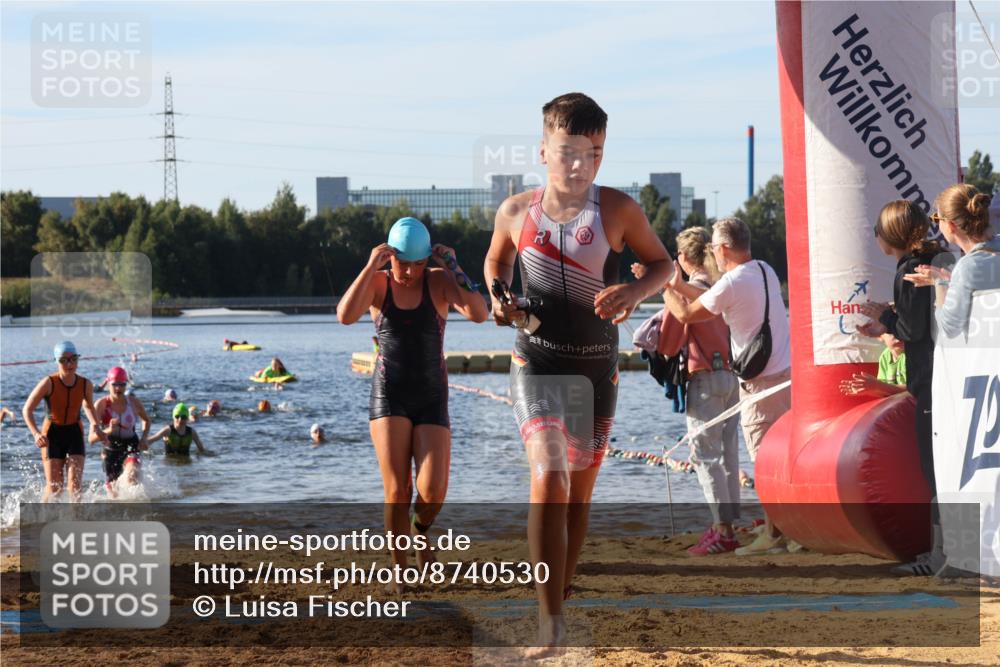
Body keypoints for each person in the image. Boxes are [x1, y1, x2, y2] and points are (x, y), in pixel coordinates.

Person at [483, 93, 672, 656]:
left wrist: (637, 289)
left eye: (592, 153)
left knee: (579, 499)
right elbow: (495, 261)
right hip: (535, 358)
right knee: (550, 479)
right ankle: (551, 623)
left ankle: (558, 590)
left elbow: (665, 265)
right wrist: (498, 298)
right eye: (567, 152)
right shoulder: (516, 211)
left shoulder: (618, 209)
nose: (578, 165)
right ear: (543, 150)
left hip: (596, 369)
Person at [337, 216, 489, 591]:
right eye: (402, 263)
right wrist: (370, 266)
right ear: (390, 257)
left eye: (418, 264)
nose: (408, 271)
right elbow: (344, 316)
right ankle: (399, 570)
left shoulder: (439, 283)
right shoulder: (378, 283)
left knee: (433, 491)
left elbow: (480, 312)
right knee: (398, 490)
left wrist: (453, 267)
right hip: (389, 394)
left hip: (431, 395)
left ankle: (420, 534)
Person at [662, 217, 792, 556]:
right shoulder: (763, 270)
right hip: (785, 377)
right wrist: (681, 283)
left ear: (721, 249)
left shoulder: (731, 282)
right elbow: (711, 297)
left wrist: (664, 287)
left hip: (759, 384)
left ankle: (774, 536)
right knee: (781, 455)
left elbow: (688, 314)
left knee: (763, 461)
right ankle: (787, 527)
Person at [858, 199, 944, 576]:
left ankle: (941, 556)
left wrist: (886, 315)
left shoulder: (908, 267)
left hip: (929, 380)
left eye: (877, 230)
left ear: (889, 235)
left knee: (934, 471)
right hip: (949, 375)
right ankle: (949, 553)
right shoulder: (937, 257)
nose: (875, 236)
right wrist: (887, 325)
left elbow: (913, 329)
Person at [647, 227, 741, 556]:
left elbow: (670, 344)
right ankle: (730, 525)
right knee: (728, 455)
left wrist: (665, 288)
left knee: (705, 455)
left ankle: (722, 530)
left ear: (684, 259)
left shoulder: (690, 292)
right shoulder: (721, 285)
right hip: (732, 377)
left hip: (704, 378)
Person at [904, 185, 999, 337]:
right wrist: (951, 281)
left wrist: (940, 282)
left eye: (936, 218)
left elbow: (949, 328)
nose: (936, 223)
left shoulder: (968, 267)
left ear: (950, 226)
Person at [21, 341, 106, 502]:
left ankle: (75, 522)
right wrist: (36, 433)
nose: (70, 364)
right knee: (55, 487)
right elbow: (27, 410)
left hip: (74, 432)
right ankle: (44, 521)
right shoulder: (48, 382)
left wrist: (96, 426)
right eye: (64, 360)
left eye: (74, 359)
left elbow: (88, 406)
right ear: (56, 361)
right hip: (52, 434)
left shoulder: (85, 384)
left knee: (75, 487)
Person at [90, 367, 151, 496]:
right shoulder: (101, 405)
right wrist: (108, 430)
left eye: (122, 385)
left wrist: (144, 438)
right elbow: (91, 439)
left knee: (132, 475)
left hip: (131, 445)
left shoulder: (133, 403)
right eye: (115, 385)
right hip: (111, 450)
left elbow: (146, 420)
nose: (118, 388)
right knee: (114, 494)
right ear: (108, 384)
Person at [839, 333, 907, 397]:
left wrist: (877, 386)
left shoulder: (911, 355)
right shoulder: (885, 356)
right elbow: (885, 391)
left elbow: (913, 390)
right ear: (880, 336)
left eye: (901, 331)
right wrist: (868, 389)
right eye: (891, 333)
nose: (898, 336)